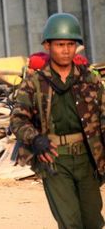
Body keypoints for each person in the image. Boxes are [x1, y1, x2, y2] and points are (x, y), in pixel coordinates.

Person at [10, 13, 105, 229]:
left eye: (70, 44)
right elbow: (17, 119)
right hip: (54, 158)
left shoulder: (90, 79)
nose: (65, 50)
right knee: (70, 222)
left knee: (93, 221)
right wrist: (35, 139)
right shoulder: (34, 83)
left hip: (88, 157)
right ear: (47, 46)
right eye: (60, 44)